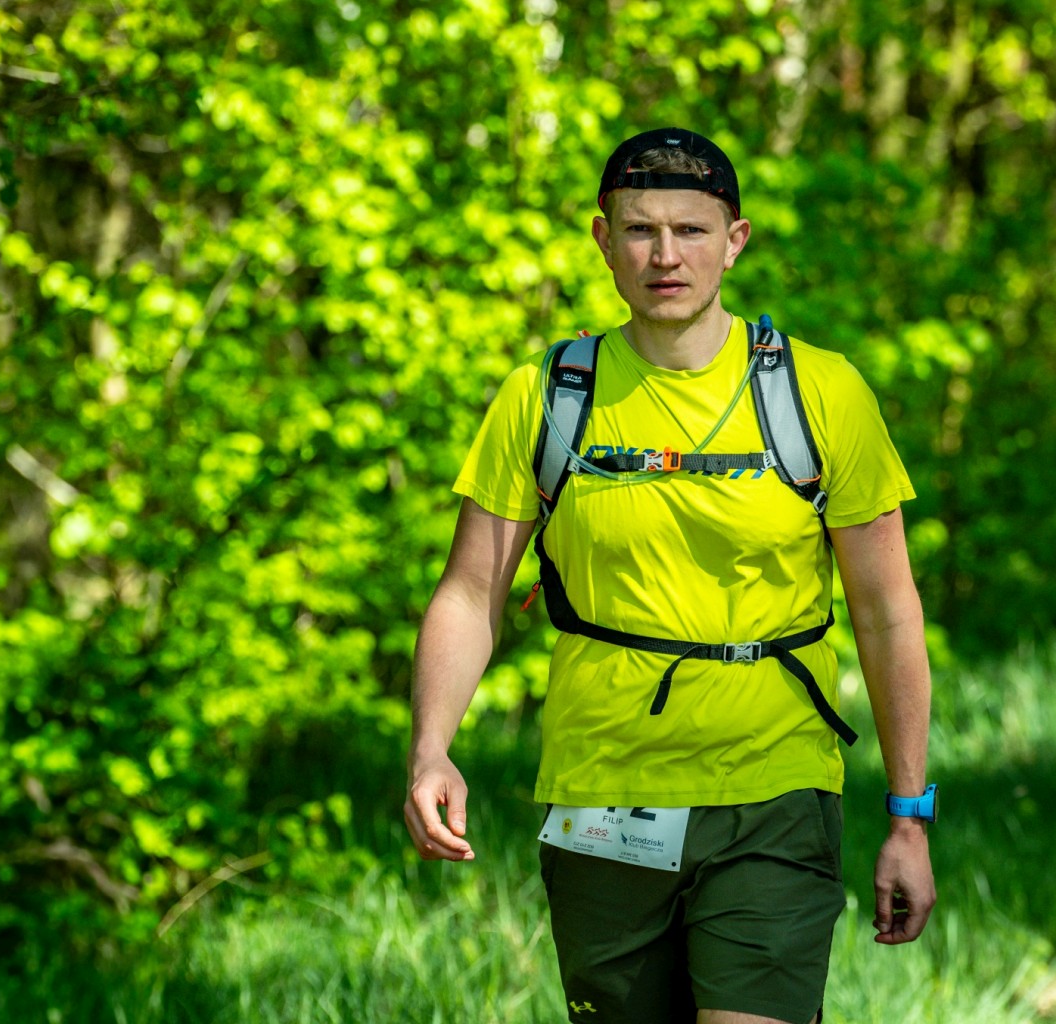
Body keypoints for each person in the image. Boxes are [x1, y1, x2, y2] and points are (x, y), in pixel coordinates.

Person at [404, 127, 936, 1024]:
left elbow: (887, 613)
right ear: (603, 240)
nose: (665, 255)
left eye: (691, 230)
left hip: (773, 790)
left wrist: (908, 816)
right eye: (640, 230)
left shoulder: (821, 392)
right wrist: (430, 749)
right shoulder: (547, 395)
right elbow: (470, 591)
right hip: (600, 794)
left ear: (734, 242)